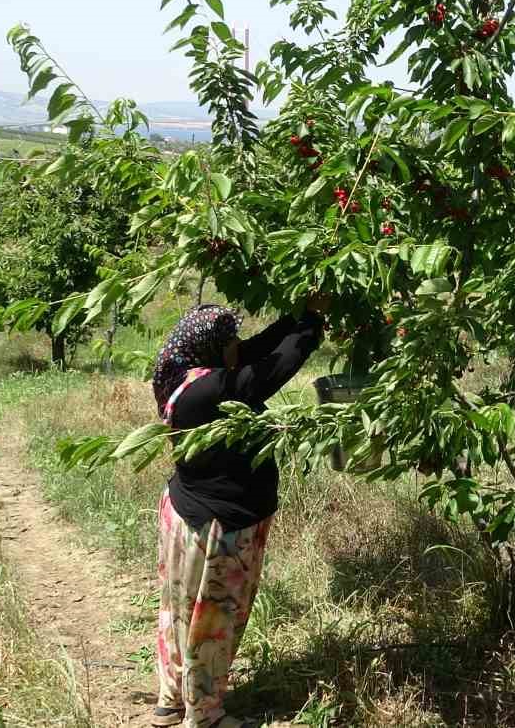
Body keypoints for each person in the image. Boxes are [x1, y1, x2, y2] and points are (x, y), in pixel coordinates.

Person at [150, 298, 327, 728]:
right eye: (230, 341)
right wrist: (313, 327)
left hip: (188, 515)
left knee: (180, 611)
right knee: (214, 620)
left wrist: (295, 317)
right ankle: (206, 716)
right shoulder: (213, 391)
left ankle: (172, 700)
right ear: (214, 349)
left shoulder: (183, 373)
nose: (238, 347)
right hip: (220, 529)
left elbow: (251, 350)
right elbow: (274, 368)